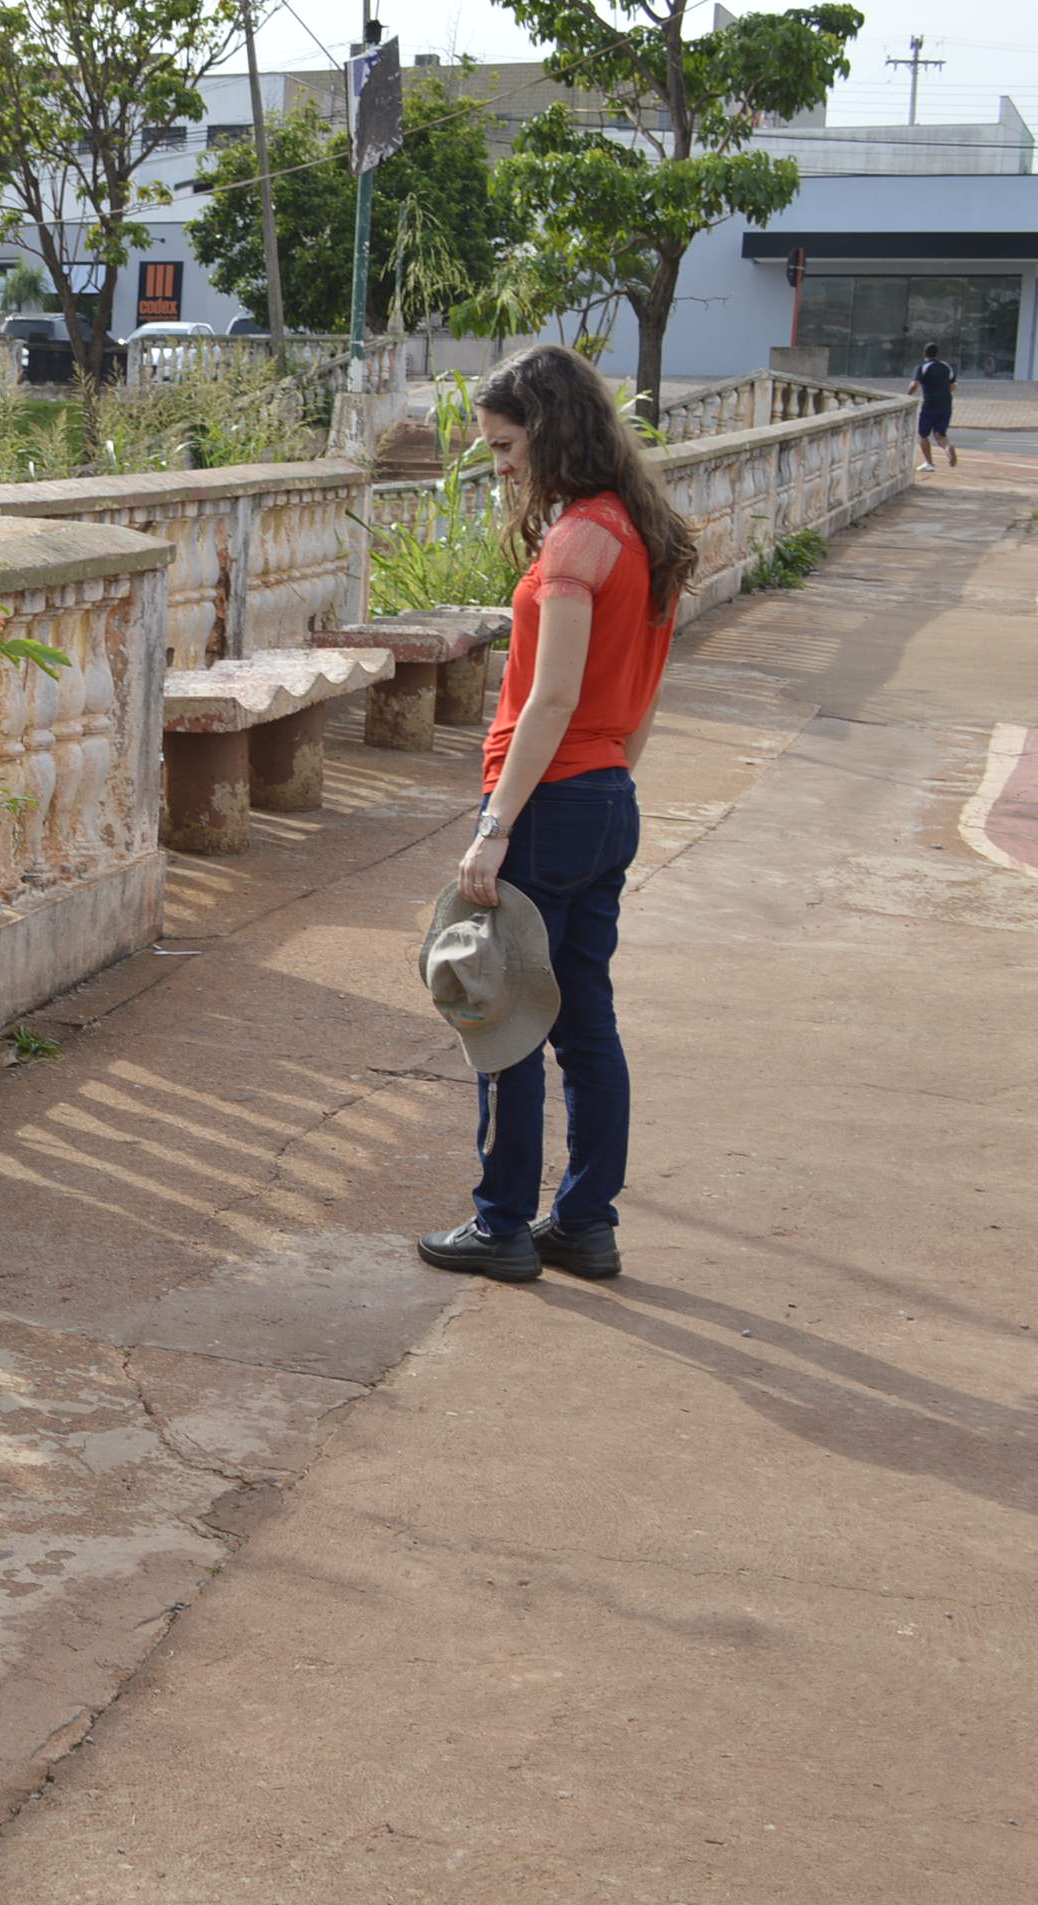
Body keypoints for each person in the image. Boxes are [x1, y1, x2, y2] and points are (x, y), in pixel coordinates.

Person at [418, 343, 698, 1285]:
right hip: (606, 797)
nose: (499, 467)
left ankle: (500, 1223)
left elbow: (550, 696)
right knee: (584, 1021)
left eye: (505, 447)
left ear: (551, 431)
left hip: (548, 802)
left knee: (502, 1010)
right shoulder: (644, 531)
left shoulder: (579, 538)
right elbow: (645, 695)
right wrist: (610, 781)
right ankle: (583, 1223)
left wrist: (496, 826)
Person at [911, 342, 957, 469]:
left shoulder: (923, 367)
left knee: (923, 434)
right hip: (946, 404)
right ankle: (948, 448)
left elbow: (915, 385)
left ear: (924, 354)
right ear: (937, 354)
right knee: (940, 434)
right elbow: (953, 385)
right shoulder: (946, 366)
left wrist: (907, 395)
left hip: (930, 404)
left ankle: (929, 463)